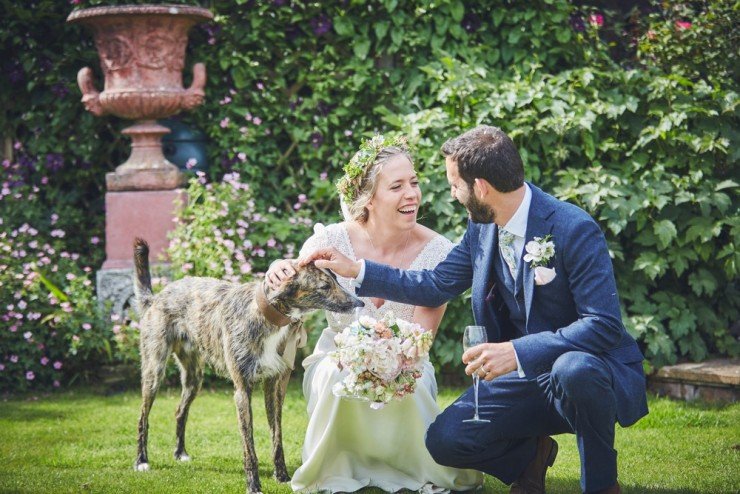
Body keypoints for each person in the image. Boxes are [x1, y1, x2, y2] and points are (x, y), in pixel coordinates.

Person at [302, 126, 648, 494]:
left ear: (480, 187)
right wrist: (358, 270)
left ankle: (602, 483)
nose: (452, 194)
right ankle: (532, 454)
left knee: (573, 368)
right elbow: (435, 285)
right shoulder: (482, 228)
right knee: (445, 441)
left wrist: (516, 351)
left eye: (455, 185)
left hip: (586, 373)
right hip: (525, 380)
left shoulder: (573, 228)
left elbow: (602, 325)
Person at [266, 134, 482, 493]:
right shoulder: (328, 243)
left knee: (409, 388)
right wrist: (277, 269)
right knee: (337, 379)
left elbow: (421, 340)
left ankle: (418, 467)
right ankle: (337, 467)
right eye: (396, 186)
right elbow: (287, 300)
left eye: (414, 182)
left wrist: (389, 365)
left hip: (409, 361)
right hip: (336, 357)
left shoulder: (440, 253)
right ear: (368, 198)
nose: (411, 194)